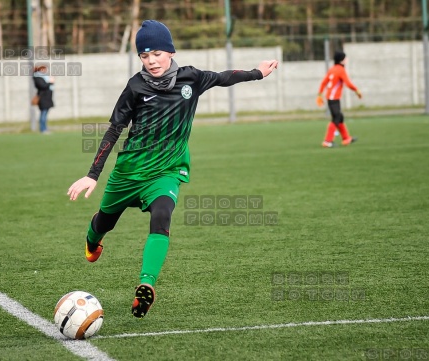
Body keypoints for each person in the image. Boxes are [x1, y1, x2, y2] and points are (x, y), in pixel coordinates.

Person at [67, 20, 278, 318]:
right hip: (129, 172)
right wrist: (92, 175)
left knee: (162, 216)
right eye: (144, 55)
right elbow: (115, 129)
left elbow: (223, 77)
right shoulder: (135, 86)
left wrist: (258, 73)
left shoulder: (190, 78)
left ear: (170, 52)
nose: (151, 61)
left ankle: (146, 286)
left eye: (157, 53)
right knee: (104, 223)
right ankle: (93, 240)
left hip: (166, 170)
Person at [316, 51, 362, 148]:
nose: (347, 60)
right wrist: (356, 90)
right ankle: (327, 141)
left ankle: (346, 138)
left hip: (330, 98)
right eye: (345, 58)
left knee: (340, 117)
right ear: (341, 60)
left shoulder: (332, 69)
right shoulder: (341, 70)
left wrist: (320, 94)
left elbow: (323, 82)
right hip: (334, 99)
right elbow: (348, 83)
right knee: (336, 119)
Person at [32, 65, 55, 134]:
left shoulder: (44, 77)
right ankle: (43, 129)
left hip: (47, 98)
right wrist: (50, 82)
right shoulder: (38, 78)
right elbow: (43, 86)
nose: (45, 71)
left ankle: (45, 128)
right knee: (43, 114)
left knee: (45, 114)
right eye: (43, 70)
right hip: (43, 98)